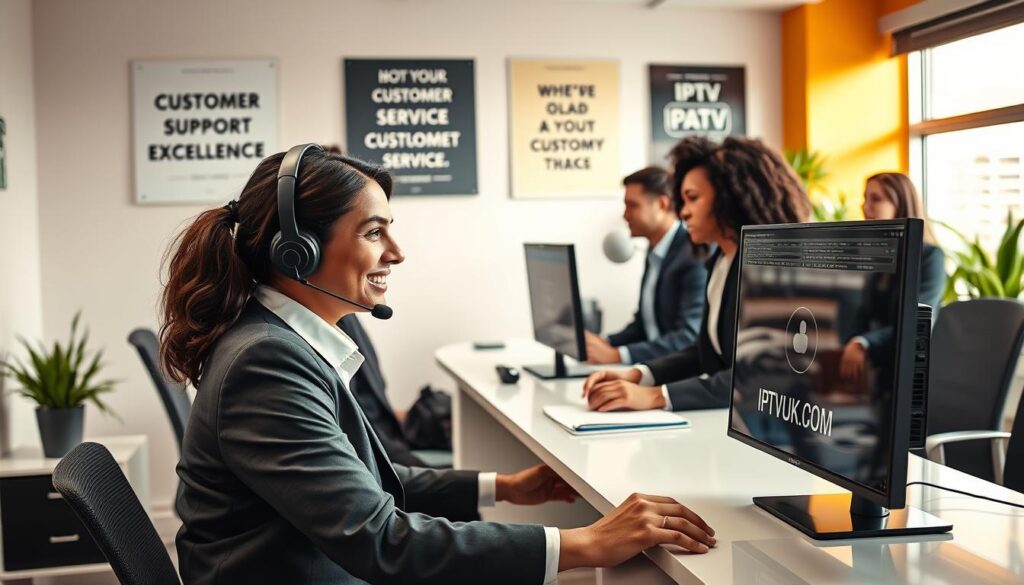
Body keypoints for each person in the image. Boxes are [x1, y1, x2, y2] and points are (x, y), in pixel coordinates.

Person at [162, 144, 716, 584]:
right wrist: (584, 543)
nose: (397, 252)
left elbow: (362, 480)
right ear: (298, 250)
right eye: (374, 231)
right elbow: (380, 539)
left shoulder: (280, 342)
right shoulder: (268, 361)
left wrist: (505, 486)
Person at [582, 136, 811, 412]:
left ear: (729, 197)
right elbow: (704, 353)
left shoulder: (771, 272)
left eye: (693, 198)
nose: (684, 212)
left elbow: (759, 376)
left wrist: (656, 396)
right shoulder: (721, 261)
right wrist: (639, 375)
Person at [585, 167, 707, 364]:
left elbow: (688, 336)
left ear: (662, 204)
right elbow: (644, 327)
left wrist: (618, 355)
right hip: (655, 366)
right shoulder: (655, 251)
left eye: (632, 205)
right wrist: (605, 342)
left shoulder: (694, 254)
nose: (625, 215)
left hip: (678, 372)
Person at [838, 172, 947, 380]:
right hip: (878, 370)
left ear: (901, 204)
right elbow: (863, 312)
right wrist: (851, 342)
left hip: (908, 371)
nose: (865, 207)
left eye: (876, 199)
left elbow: (914, 321)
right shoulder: (881, 254)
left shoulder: (929, 257)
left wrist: (864, 343)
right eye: (865, 199)